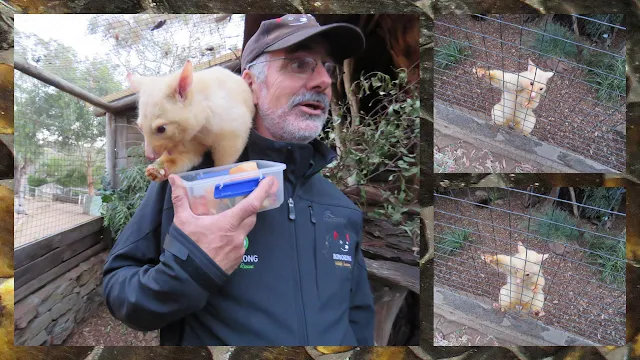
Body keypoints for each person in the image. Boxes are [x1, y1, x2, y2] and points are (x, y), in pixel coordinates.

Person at [102, 14, 375, 346]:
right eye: (300, 64)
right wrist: (191, 269)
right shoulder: (187, 185)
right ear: (250, 85)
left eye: (326, 67)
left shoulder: (340, 208)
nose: (323, 81)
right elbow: (120, 289)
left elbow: (359, 316)